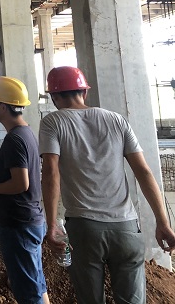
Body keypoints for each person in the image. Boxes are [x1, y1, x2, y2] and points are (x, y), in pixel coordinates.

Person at [40, 66, 175, 304]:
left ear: (54, 96)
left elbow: (51, 172)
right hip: (126, 228)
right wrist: (163, 223)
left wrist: (51, 225)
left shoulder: (53, 122)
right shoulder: (117, 120)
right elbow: (143, 171)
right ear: (85, 92)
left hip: (85, 229)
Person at [0, 77, 49, 304]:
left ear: (3, 107)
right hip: (31, 220)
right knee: (37, 285)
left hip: (19, 224)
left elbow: (21, 183)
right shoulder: (26, 133)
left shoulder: (14, 139)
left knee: (28, 293)